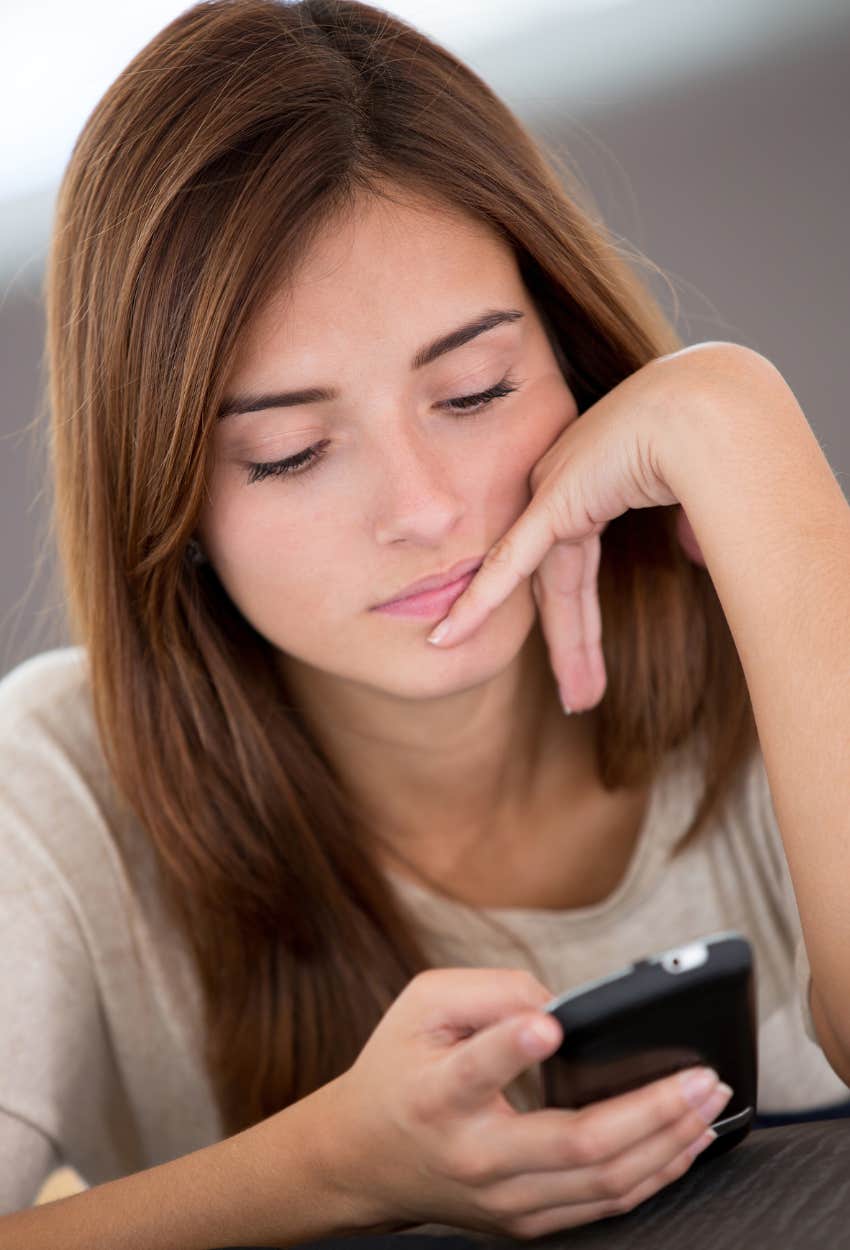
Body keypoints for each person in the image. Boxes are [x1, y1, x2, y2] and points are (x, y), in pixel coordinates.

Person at [1, 0, 847, 1244]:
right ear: (168, 498)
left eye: (475, 388)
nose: (426, 507)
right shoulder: (51, 792)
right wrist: (332, 1170)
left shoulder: (777, 599)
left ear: (567, 355)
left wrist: (740, 423)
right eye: (288, 455)